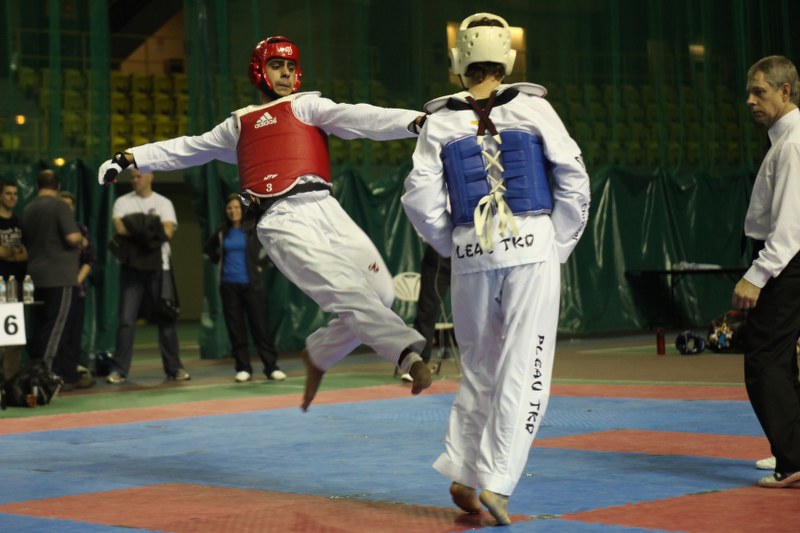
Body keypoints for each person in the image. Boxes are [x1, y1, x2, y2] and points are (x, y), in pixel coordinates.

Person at [98, 36, 431, 409]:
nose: (286, 73)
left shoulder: (308, 106)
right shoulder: (239, 123)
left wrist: (413, 121)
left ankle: (319, 353)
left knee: (382, 293)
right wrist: (130, 158)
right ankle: (408, 355)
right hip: (280, 220)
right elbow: (187, 147)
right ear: (259, 70)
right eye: (277, 66)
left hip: (326, 208)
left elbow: (360, 115)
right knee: (345, 290)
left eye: (290, 67)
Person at [401, 13, 590, 525]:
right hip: (531, 248)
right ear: (507, 60)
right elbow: (573, 176)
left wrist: (456, 241)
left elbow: (418, 198)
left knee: (480, 370)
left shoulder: (439, 121)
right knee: (525, 369)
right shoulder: (533, 107)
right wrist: (558, 242)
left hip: (470, 254)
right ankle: (498, 483)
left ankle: (464, 474)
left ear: (459, 63)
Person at [732, 55, 800, 489]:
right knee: (784, 361)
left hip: (787, 262)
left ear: (785, 91)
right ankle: (791, 447)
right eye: (749, 92)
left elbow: (790, 226)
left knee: (764, 361)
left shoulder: (792, 144)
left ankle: (791, 460)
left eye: (759, 91)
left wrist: (756, 275)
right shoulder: (786, 139)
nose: (750, 100)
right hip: (789, 261)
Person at [107, 169, 190, 384]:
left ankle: (175, 368)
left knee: (166, 317)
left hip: (160, 269)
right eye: (132, 177)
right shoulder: (122, 203)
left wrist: (136, 224)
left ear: (150, 177)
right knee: (126, 320)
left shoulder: (164, 203)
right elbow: (120, 228)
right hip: (130, 269)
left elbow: (168, 232)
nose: (135, 180)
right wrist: (152, 225)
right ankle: (119, 370)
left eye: (139, 176)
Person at [20, 170, 94, 390]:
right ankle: (42, 377)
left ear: (36, 185)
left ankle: (42, 372)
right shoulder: (60, 206)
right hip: (59, 277)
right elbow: (72, 237)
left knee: (42, 327)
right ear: (58, 186)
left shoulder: (28, 208)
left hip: (35, 276)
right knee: (55, 329)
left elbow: (26, 243)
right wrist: (82, 240)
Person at [204, 193, 285, 382]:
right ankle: (243, 368)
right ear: (226, 211)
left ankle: (271, 367)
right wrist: (219, 262)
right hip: (229, 287)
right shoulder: (222, 232)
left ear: (243, 209)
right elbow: (208, 249)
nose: (233, 211)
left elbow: (272, 247)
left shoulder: (253, 230)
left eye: (237, 207)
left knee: (260, 328)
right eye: (229, 208)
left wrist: (261, 263)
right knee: (236, 329)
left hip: (252, 286)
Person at [59, 191, 94, 379]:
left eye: (69, 205)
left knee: (74, 333)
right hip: (56, 288)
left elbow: (89, 260)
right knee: (58, 333)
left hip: (77, 290)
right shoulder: (52, 230)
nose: (65, 209)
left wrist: (76, 281)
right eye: (61, 205)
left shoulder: (81, 229)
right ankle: (55, 371)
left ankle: (70, 373)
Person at [0, 180, 27, 381]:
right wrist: (11, 252)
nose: (12, 197)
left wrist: (10, 254)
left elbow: (25, 254)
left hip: (16, 284)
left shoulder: (19, 222)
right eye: (8, 193)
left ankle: (11, 380)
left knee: (14, 336)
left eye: (15, 194)